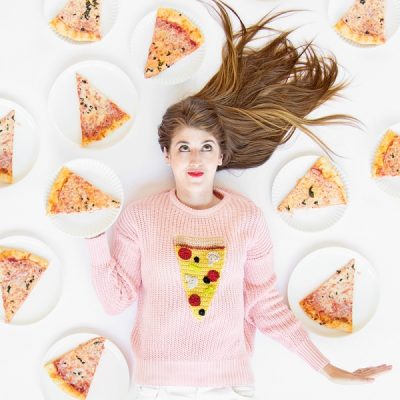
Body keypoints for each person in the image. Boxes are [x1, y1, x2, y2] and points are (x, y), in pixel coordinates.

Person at [86, 1, 391, 398]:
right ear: (166, 154)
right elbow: (115, 302)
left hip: (231, 386)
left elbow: (264, 303)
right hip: (156, 387)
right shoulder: (141, 217)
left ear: (221, 156)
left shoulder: (246, 218)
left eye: (206, 147)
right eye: (183, 147)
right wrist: (91, 231)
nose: (195, 159)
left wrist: (326, 368)